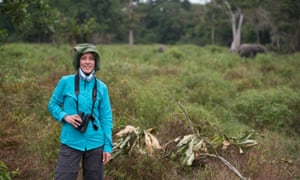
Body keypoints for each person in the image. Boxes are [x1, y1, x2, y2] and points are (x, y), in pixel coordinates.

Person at [48, 43, 113, 180]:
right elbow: (53, 105)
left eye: (91, 58)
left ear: (96, 62)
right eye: (84, 58)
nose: (87, 62)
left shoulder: (101, 87)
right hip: (70, 141)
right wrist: (65, 116)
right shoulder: (66, 82)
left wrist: (107, 146)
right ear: (78, 61)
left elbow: (106, 118)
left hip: (96, 143)